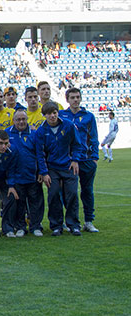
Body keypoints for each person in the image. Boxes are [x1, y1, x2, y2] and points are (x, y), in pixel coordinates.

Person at [35, 102, 83, 236]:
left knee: (72, 194)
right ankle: (56, 225)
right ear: (44, 115)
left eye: (54, 112)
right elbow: (40, 154)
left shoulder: (68, 125)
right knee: (53, 194)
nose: (52, 116)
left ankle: (73, 225)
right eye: (49, 113)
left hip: (68, 166)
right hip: (52, 168)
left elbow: (77, 144)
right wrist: (44, 172)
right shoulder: (41, 131)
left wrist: (75, 160)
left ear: (58, 112)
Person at [60, 87, 100, 233]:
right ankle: (70, 221)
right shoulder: (62, 116)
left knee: (87, 191)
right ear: (67, 100)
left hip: (87, 159)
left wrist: (95, 158)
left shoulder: (89, 116)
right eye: (72, 97)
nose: (76, 100)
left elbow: (94, 137)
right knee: (69, 192)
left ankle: (88, 221)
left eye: (77, 97)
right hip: (69, 160)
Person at [6, 109, 45, 237]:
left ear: (27, 120)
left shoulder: (34, 134)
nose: (21, 122)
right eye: (18, 119)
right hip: (16, 175)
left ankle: (35, 226)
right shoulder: (7, 133)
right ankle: (20, 226)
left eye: (23, 119)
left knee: (35, 202)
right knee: (19, 203)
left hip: (32, 175)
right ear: (13, 120)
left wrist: (41, 171)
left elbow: (40, 154)